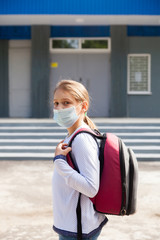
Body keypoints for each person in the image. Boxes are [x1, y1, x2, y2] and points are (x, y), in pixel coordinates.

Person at [52, 80, 108, 240]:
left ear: (83, 106)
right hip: (72, 225)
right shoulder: (72, 135)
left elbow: (91, 188)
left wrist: (59, 162)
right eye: (56, 103)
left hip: (78, 229)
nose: (59, 108)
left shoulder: (82, 139)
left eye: (66, 103)